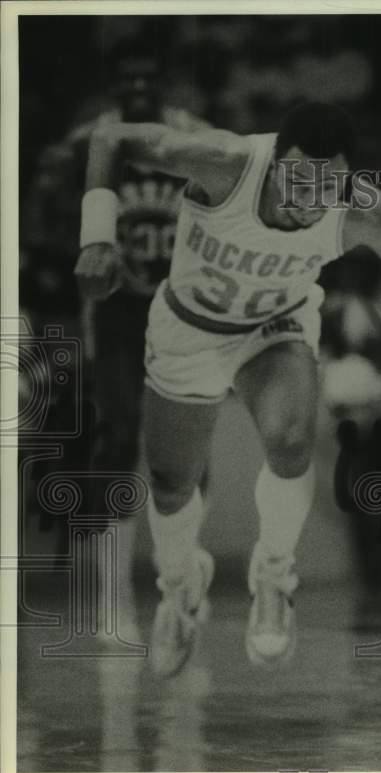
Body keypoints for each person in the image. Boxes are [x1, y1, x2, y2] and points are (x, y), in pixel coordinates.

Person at [74, 101, 381, 676]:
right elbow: (109, 137)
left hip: (275, 329)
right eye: (300, 181)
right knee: (172, 482)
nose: (312, 200)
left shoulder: (357, 210)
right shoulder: (225, 161)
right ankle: (179, 586)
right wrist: (97, 236)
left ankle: (274, 578)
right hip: (190, 329)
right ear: (275, 163)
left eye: (329, 185)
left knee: (292, 440)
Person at [24, 40, 209, 638]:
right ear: (112, 89)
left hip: (180, 307)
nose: (137, 87)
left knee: (187, 448)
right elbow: (44, 197)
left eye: (146, 76)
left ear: (163, 81)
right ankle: (111, 598)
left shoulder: (190, 134)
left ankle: (179, 579)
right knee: (120, 435)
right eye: (125, 78)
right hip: (117, 312)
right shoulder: (91, 141)